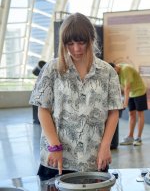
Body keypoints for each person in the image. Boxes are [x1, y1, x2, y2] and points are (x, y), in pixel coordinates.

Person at [29, 13, 123, 180]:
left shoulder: (107, 72)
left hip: (94, 157)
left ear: (91, 39)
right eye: (70, 43)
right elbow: (43, 110)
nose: (76, 49)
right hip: (57, 159)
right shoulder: (52, 69)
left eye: (81, 42)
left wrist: (105, 146)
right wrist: (55, 147)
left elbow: (113, 112)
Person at [115, 63, 148, 146]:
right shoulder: (116, 73)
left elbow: (127, 87)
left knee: (140, 113)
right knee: (131, 114)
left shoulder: (126, 69)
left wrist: (125, 103)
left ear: (116, 67)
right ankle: (130, 137)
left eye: (114, 71)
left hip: (139, 91)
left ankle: (139, 138)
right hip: (131, 93)